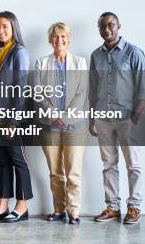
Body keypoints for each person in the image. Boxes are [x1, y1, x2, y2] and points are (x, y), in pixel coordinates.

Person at [89, 12, 145, 225]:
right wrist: (92, 117)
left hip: (127, 118)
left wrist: (136, 116)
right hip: (104, 118)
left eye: (111, 25)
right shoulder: (96, 55)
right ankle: (113, 207)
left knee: (133, 164)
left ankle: (134, 207)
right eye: (103, 26)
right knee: (109, 164)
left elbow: (144, 88)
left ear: (119, 26)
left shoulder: (134, 53)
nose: (107, 30)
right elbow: (93, 89)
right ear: (99, 30)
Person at [35, 22, 88, 225]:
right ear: (50, 40)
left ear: (69, 38)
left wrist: (64, 117)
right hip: (49, 125)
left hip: (74, 125)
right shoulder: (42, 63)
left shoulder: (80, 62)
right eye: (55, 36)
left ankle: (73, 211)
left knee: (73, 170)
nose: (59, 40)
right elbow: (38, 93)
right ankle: (58, 209)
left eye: (63, 36)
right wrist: (53, 114)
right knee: (55, 171)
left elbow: (81, 93)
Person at [0, 11, 33, 223]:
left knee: (18, 161)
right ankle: (2, 205)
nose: (0, 31)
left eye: (4, 26)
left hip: (12, 120)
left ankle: (22, 206)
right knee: (3, 161)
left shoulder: (19, 52)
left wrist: (14, 121)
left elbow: (21, 88)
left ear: (13, 28)